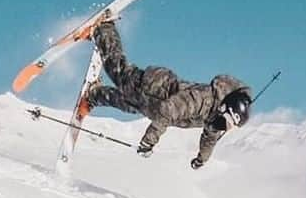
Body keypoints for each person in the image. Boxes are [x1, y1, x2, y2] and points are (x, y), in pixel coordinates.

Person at [83, 20, 252, 169]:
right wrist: (149, 141)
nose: (224, 127)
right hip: (153, 87)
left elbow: (210, 138)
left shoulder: (215, 118)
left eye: (228, 126)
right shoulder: (203, 100)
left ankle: (94, 94)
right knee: (118, 71)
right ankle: (104, 28)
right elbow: (168, 111)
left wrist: (202, 159)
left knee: (127, 103)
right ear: (224, 107)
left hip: (152, 104)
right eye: (226, 122)